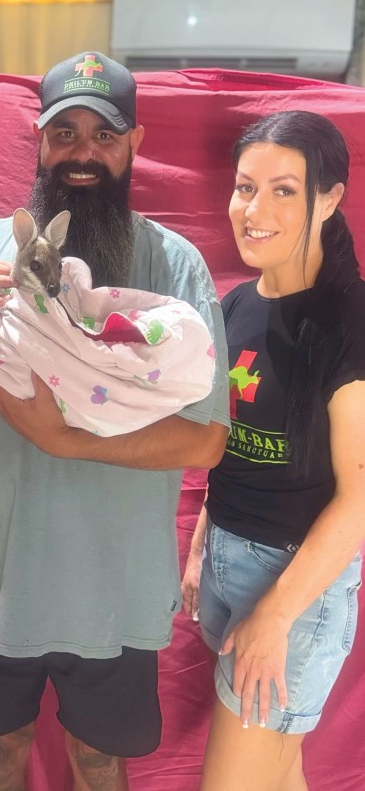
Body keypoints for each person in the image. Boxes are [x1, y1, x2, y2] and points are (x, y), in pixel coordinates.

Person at [0, 51, 230, 791]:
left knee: (98, 762)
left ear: (134, 143)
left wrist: (67, 437)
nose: (83, 151)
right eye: (65, 133)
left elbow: (207, 439)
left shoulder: (175, 266)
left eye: (104, 134)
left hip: (112, 590)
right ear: (40, 139)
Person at [180, 111, 365, 791]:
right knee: (278, 779)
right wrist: (202, 544)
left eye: (283, 190)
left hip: (296, 590)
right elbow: (229, 447)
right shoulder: (232, 309)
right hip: (229, 566)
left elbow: (361, 498)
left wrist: (277, 614)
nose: (254, 210)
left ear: (330, 199)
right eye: (244, 187)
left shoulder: (352, 320)